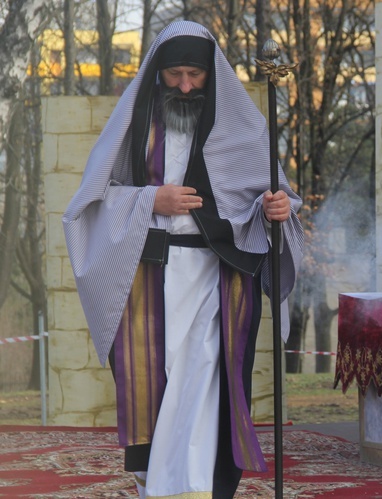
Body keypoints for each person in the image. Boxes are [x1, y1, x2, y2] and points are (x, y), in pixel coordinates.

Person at [63, 20, 304, 498]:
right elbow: (89, 202)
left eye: (195, 74)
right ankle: (158, 481)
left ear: (212, 73)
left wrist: (279, 207)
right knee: (158, 379)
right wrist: (152, 200)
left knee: (206, 375)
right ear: (158, 71)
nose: (186, 86)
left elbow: (271, 197)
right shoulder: (131, 126)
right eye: (175, 75)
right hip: (150, 276)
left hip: (222, 278)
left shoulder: (242, 128)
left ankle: (194, 487)